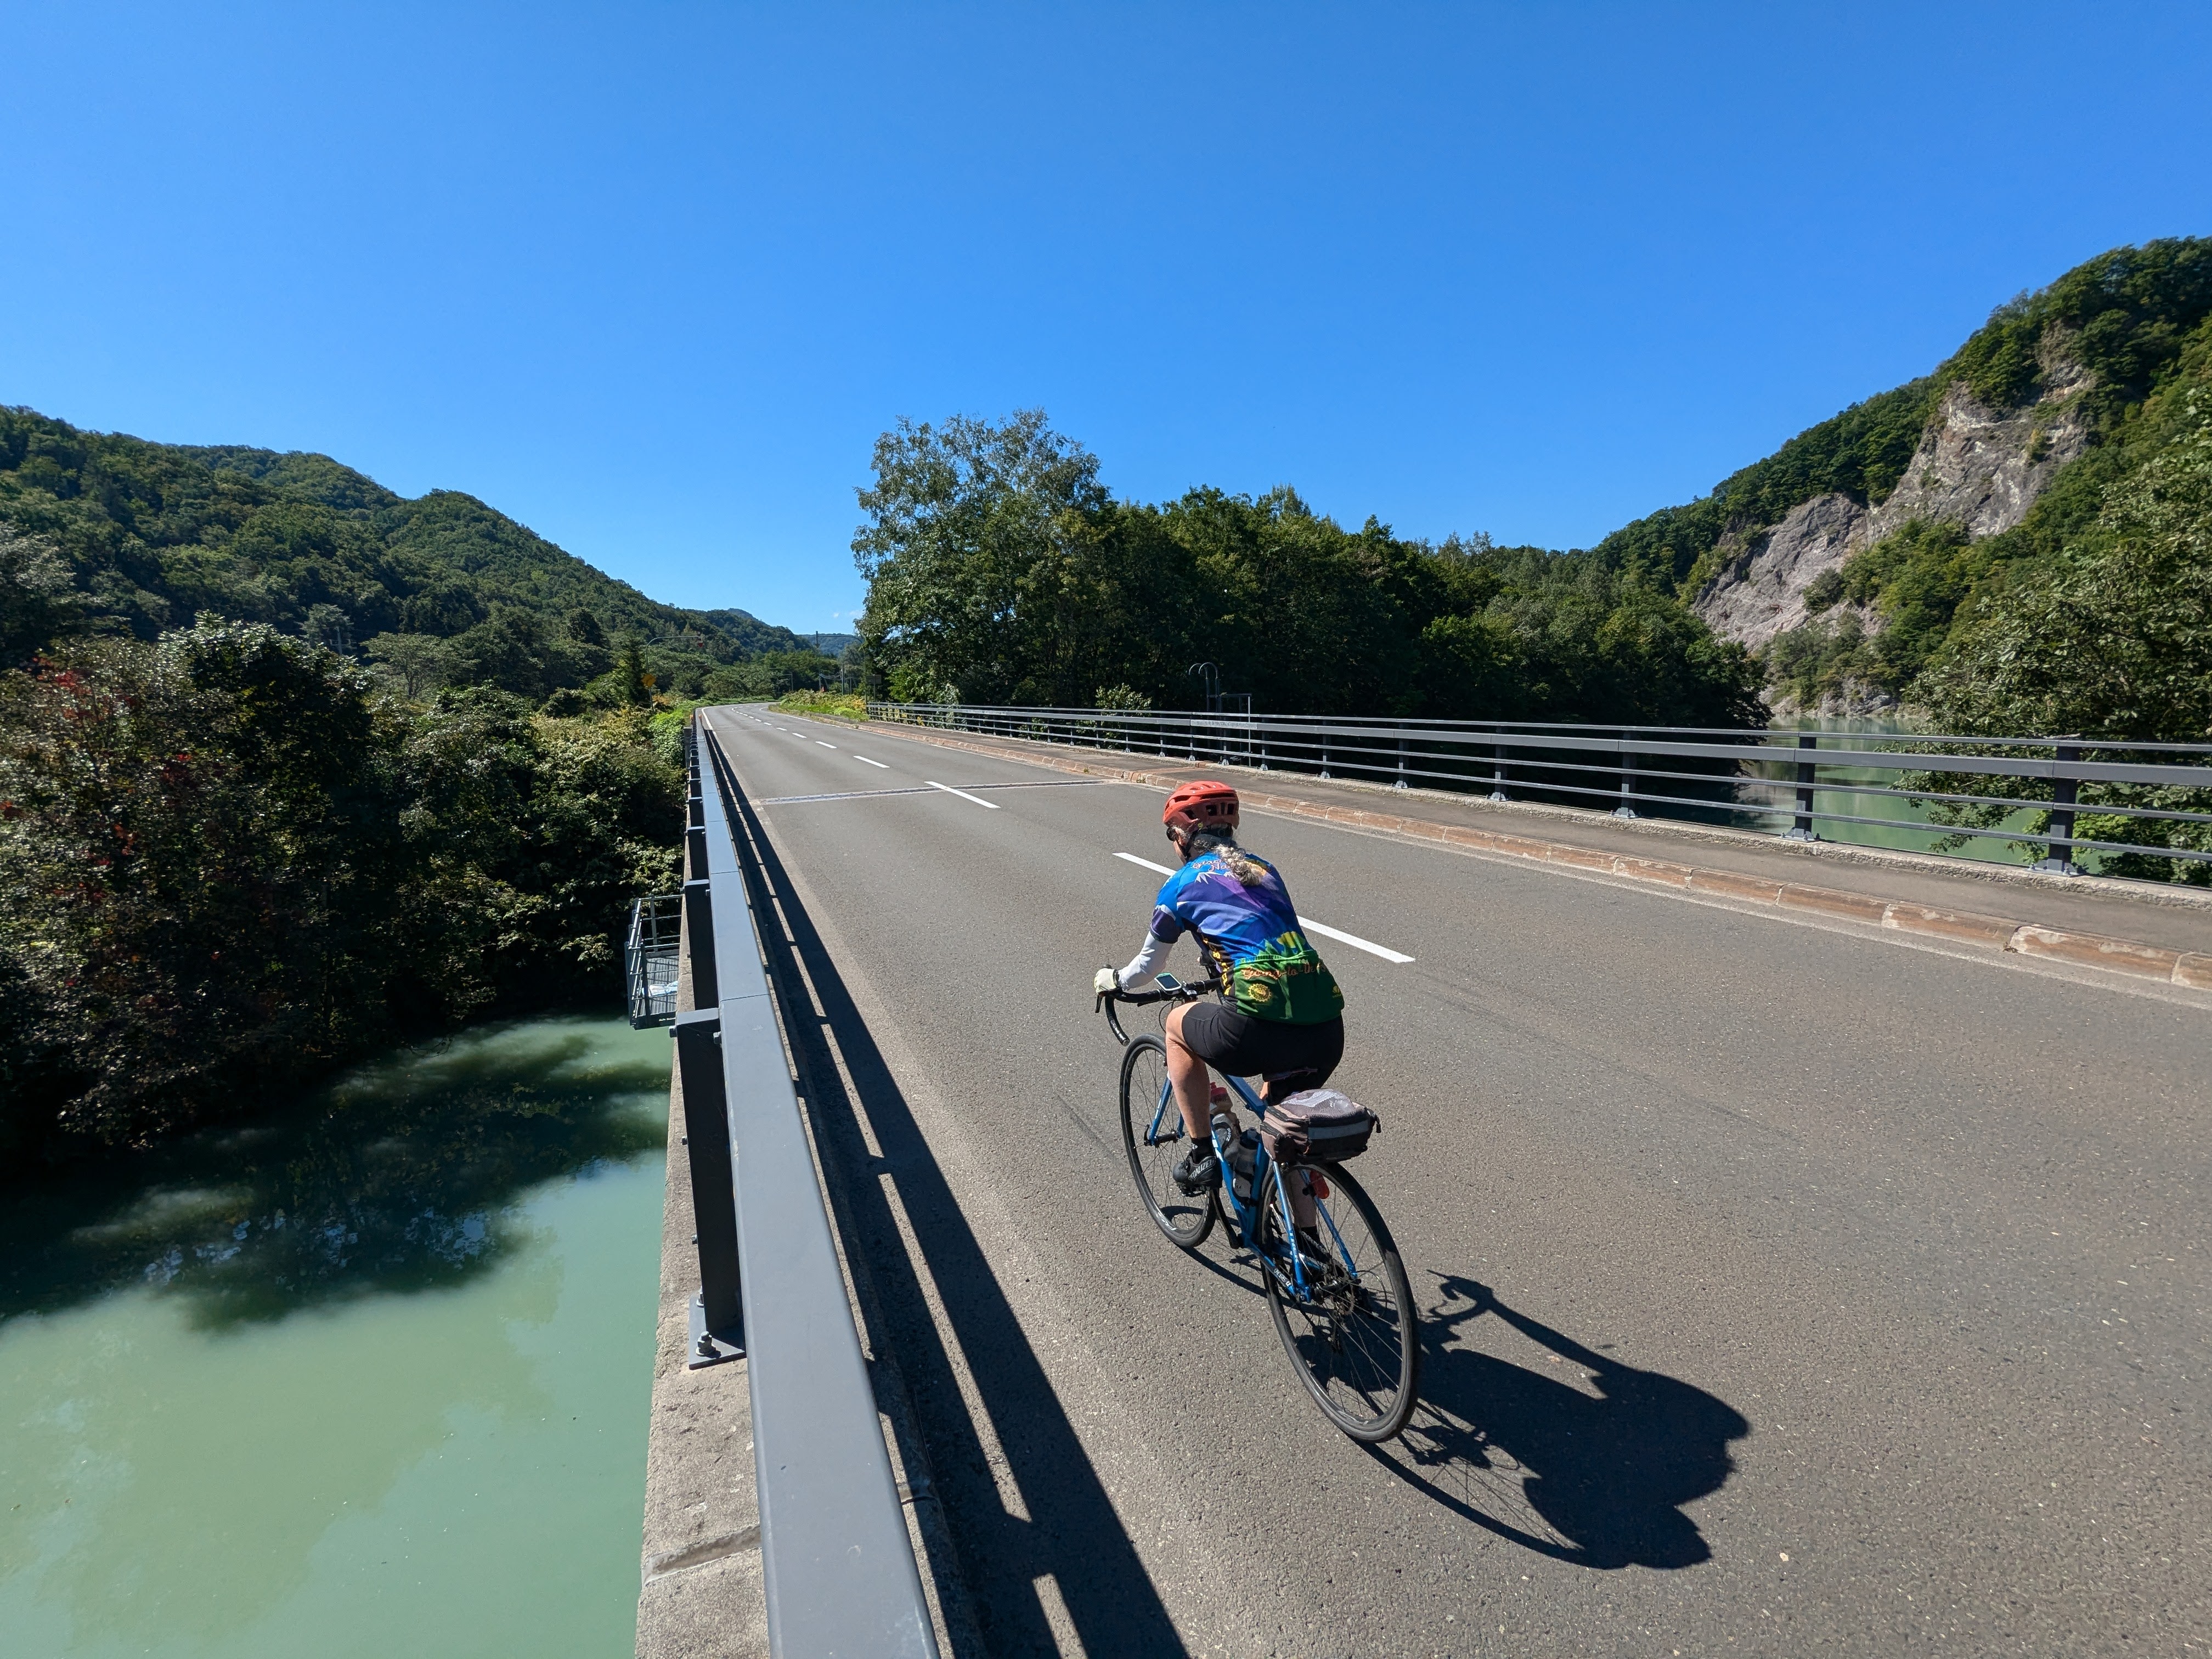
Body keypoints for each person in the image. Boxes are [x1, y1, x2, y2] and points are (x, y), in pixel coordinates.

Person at [1093, 779, 1346, 1193]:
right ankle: (1308, 1244)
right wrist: (1216, 958)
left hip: (1254, 1026)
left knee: (1176, 1025)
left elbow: (1147, 967)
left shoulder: (1180, 886)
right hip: (1325, 1027)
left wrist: (1114, 981)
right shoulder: (1265, 870)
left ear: (1181, 835)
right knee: (1282, 1134)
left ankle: (1202, 1155)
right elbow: (1264, 933)